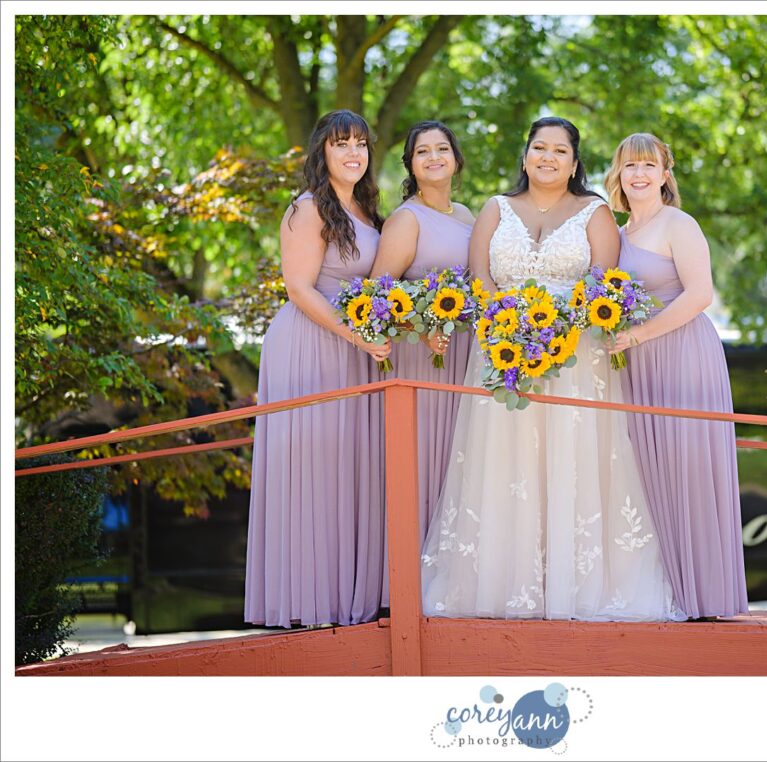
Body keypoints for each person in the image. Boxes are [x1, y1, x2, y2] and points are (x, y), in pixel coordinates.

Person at [420, 117, 673, 621]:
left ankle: (575, 587)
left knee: (569, 463)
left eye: (560, 150)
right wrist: (506, 326)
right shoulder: (495, 209)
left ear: (575, 163)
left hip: (576, 360)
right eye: (539, 147)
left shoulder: (594, 213)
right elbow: (480, 277)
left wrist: (557, 330)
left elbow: (604, 284)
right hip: (501, 355)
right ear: (525, 155)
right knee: (505, 465)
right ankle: (501, 585)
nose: (548, 157)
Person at [245, 110, 390, 628]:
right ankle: (307, 604)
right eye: (341, 144)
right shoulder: (307, 208)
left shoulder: (369, 211)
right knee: (314, 469)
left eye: (361, 144)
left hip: (355, 349)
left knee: (350, 468)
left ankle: (348, 598)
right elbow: (299, 287)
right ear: (321, 152)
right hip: (311, 344)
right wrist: (356, 335)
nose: (353, 153)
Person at [605, 132, 748, 619]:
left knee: (688, 471)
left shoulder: (678, 223)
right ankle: (667, 594)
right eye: (630, 166)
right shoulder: (618, 234)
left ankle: (707, 598)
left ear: (666, 174)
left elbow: (699, 294)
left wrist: (639, 335)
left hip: (683, 354)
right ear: (618, 176)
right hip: (636, 363)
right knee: (648, 474)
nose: (639, 174)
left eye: (649, 165)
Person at [370, 120, 474, 546]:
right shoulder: (406, 220)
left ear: (455, 159)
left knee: (457, 461)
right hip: (421, 356)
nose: (434, 157)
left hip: (462, 354)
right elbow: (375, 297)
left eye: (442, 149)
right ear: (411, 165)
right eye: (423, 151)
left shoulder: (467, 215)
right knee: (422, 461)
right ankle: (409, 574)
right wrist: (423, 327)